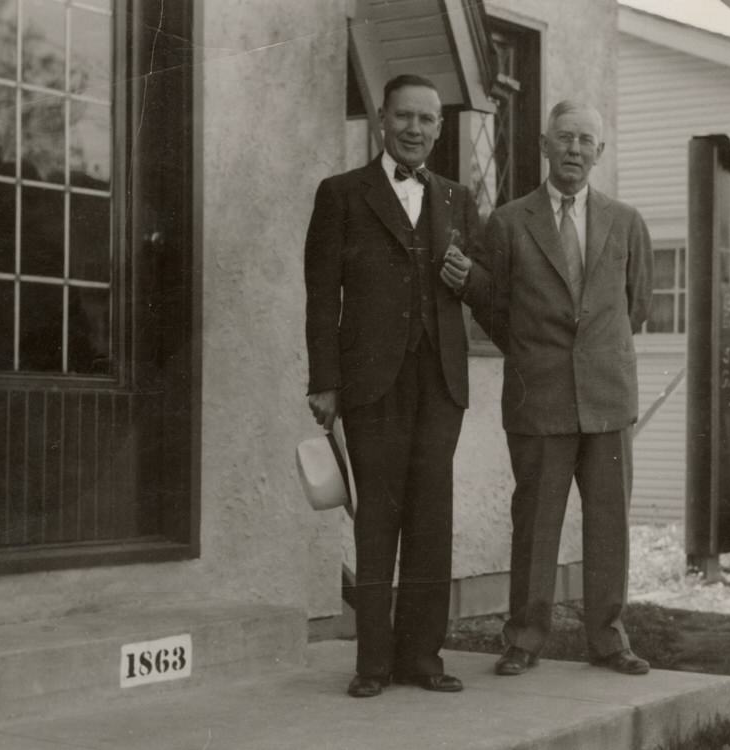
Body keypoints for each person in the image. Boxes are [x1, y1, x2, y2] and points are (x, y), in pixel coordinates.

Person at [444, 100, 654, 677]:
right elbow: (492, 304)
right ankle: (525, 638)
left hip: (608, 399)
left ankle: (609, 640)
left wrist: (593, 357)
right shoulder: (510, 222)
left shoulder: (627, 222)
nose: (575, 150)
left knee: (609, 522)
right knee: (536, 522)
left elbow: (636, 306)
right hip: (539, 397)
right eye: (565, 138)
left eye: (587, 141)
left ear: (600, 153)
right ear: (543, 145)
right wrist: (534, 350)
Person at [305, 74, 480, 698]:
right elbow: (322, 295)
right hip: (371, 382)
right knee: (376, 520)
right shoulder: (342, 194)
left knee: (432, 520)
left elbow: (480, 288)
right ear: (382, 120)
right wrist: (325, 381)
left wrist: (469, 279)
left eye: (426, 120)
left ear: (438, 128)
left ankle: (421, 660)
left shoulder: (458, 199)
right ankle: (373, 664)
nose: (414, 130)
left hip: (440, 383)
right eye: (404, 117)